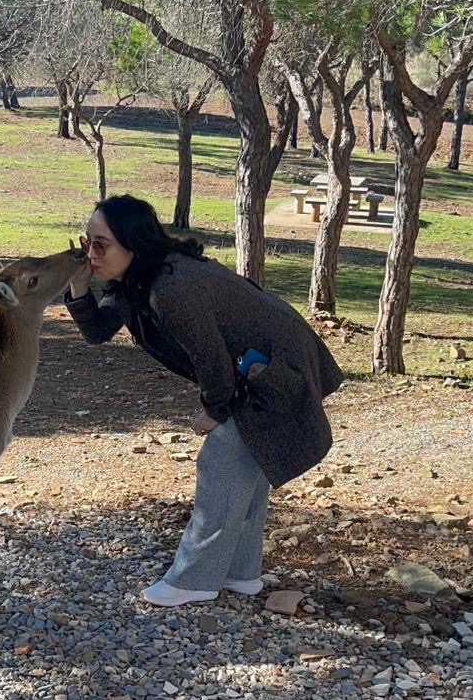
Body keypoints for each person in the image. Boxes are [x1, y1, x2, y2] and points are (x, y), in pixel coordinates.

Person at [65, 195, 344, 607]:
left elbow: (211, 359)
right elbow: (99, 330)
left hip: (277, 367)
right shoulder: (136, 281)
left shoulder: (172, 288)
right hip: (256, 368)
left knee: (222, 459)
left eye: (101, 244)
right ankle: (239, 573)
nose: (91, 253)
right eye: (86, 242)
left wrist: (214, 410)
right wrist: (77, 285)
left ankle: (194, 579)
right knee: (247, 467)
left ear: (134, 244)